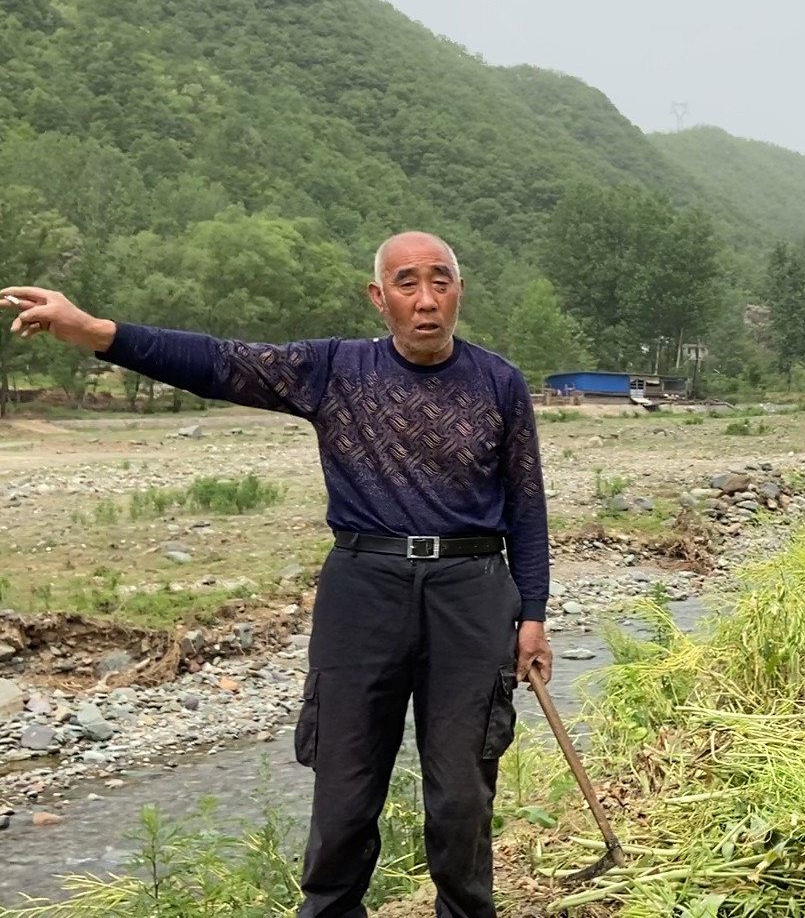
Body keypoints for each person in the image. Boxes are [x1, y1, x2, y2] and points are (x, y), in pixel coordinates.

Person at [4, 230, 554, 918]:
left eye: (440, 281)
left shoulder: (499, 382)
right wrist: (95, 332)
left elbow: (526, 506)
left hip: (471, 588)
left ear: (459, 292)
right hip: (364, 587)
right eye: (407, 283)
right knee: (345, 788)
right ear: (378, 297)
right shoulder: (333, 369)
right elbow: (217, 361)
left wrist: (533, 614)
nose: (425, 299)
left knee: (463, 795)